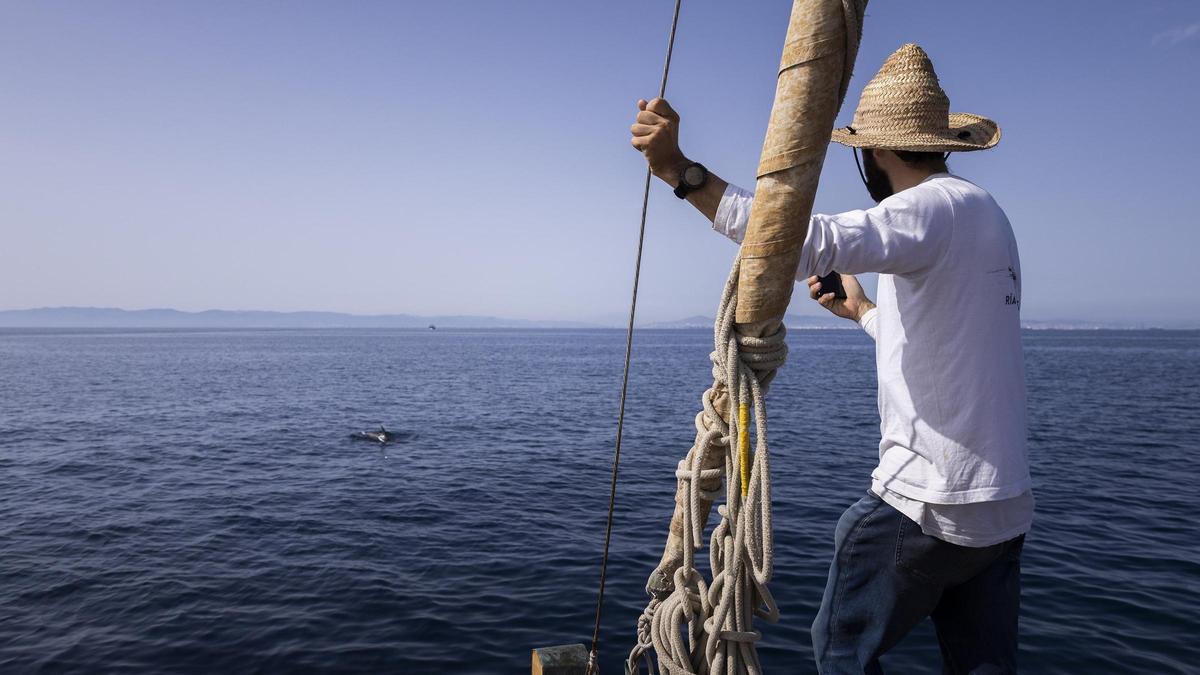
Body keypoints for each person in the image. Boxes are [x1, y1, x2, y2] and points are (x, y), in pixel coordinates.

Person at [629, 44, 1031, 674]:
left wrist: (682, 173)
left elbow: (790, 240)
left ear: (876, 151)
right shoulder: (984, 213)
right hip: (1003, 509)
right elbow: (949, 344)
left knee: (841, 656)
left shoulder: (924, 208)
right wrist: (863, 313)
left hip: (927, 502)